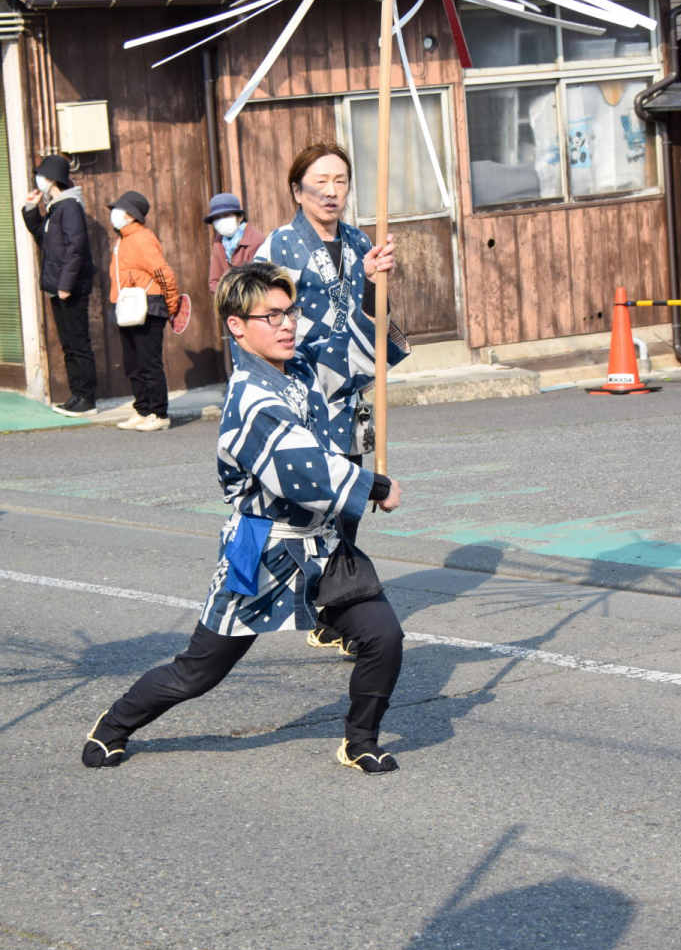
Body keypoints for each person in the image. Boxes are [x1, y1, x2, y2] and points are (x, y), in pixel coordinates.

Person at [82, 258, 408, 775]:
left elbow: (354, 354)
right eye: (271, 316)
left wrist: (371, 287)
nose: (286, 324)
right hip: (262, 547)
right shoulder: (249, 399)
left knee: (383, 635)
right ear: (237, 325)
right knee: (198, 671)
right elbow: (298, 466)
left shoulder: (298, 366)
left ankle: (360, 740)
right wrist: (372, 486)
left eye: (290, 312)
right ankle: (116, 722)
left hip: (321, 545)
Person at [254, 141, 397, 654]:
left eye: (340, 180)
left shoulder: (361, 242)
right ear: (297, 189)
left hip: (351, 391)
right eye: (320, 181)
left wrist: (376, 279)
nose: (331, 191)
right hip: (305, 386)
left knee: (351, 500)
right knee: (318, 499)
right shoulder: (278, 247)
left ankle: (332, 604)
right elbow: (264, 316)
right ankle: (329, 605)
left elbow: (372, 317)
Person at [22, 154, 97, 416]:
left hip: (71, 288)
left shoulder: (70, 206)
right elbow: (44, 237)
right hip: (59, 286)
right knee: (68, 345)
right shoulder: (56, 206)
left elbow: (76, 249)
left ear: (52, 178)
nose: (38, 179)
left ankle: (87, 399)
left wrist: (66, 284)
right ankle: (77, 395)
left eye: (41, 175)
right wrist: (32, 209)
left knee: (78, 344)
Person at [108, 190, 179, 432]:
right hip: (127, 307)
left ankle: (159, 414)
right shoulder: (123, 239)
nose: (115, 214)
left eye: (120, 210)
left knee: (149, 363)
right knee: (132, 363)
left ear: (131, 215)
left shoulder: (142, 238)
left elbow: (163, 272)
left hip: (149, 306)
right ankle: (143, 410)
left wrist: (171, 305)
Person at [206, 193, 265, 294]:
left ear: (240, 217)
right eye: (217, 218)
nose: (221, 221)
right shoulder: (218, 242)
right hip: (229, 304)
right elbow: (214, 282)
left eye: (226, 216)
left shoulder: (256, 240)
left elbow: (260, 281)